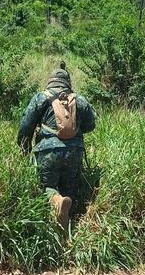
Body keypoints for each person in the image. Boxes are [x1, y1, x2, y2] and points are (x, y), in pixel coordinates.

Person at [17, 61, 96, 229]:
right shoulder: (79, 100)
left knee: (47, 186)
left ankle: (57, 202)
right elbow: (90, 126)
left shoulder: (41, 97)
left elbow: (25, 126)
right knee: (71, 189)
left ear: (51, 81)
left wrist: (25, 150)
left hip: (47, 151)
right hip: (74, 151)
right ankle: (69, 226)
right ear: (68, 82)